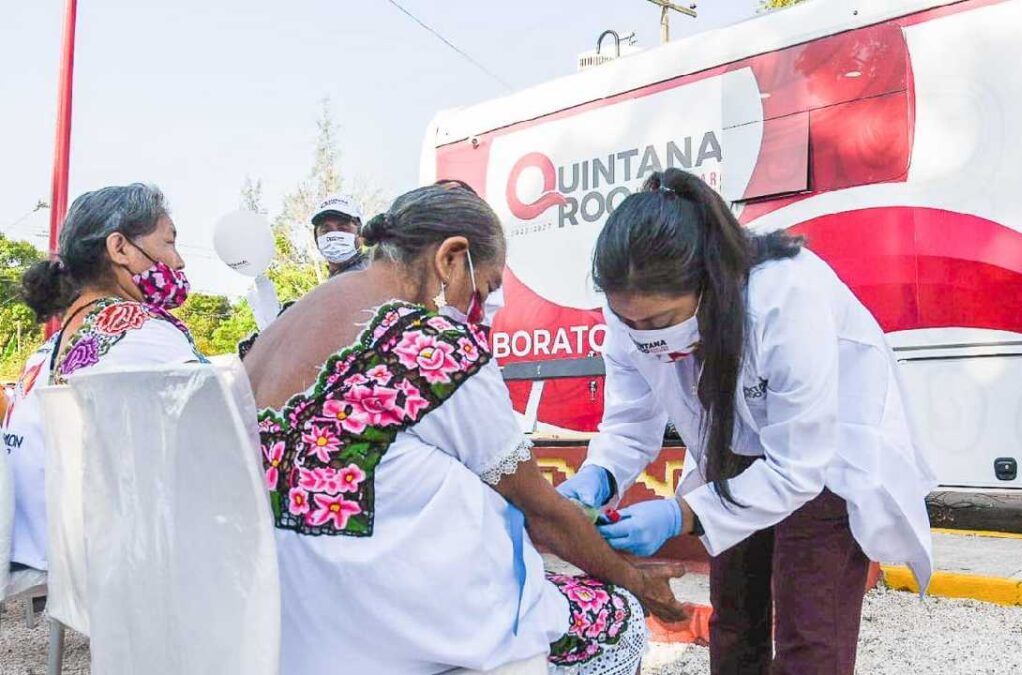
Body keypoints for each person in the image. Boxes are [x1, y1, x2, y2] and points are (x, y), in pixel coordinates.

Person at [241, 185, 686, 674]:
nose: (481, 308)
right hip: (402, 621)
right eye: (486, 289)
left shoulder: (276, 332)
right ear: (451, 258)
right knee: (615, 618)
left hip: (298, 625)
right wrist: (637, 582)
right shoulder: (430, 345)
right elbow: (541, 512)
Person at [557, 168, 936, 675]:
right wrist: (598, 478)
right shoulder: (630, 311)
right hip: (730, 448)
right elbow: (630, 423)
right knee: (734, 616)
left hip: (826, 455)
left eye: (661, 321)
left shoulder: (784, 296)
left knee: (811, 629)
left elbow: (797, 468)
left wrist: (679, 516)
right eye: (632, 323)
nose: (647, 337)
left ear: (709, 281)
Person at [3, 183, 204, 572]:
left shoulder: (45, 351)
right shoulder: (142, 329)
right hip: (100, 565)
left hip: (41, 553)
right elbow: (226, 428)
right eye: (169, 242)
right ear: (120, 248)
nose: (179, 262)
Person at [311, 194, 369, 277]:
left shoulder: (377, 276)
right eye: (326, 231)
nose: (334, 235)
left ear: (360, 235)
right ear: (316, 239)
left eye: (343, 229)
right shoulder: (330, 282)